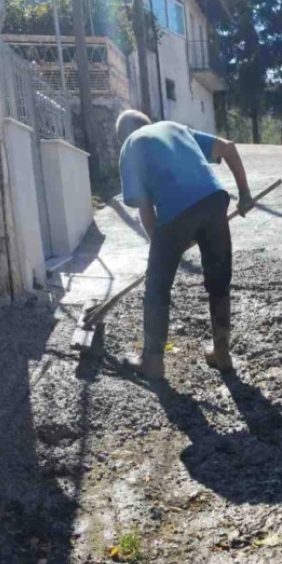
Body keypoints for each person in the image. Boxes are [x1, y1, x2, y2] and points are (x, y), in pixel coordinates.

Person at [115, 110, 253, 379]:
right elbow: (229, 149)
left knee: (156, 285)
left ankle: (153, 362)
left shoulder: (130, 146)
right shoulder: (175, 127)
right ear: (150, 123)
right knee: (219, 279)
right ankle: (222, 352)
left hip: (175, 212)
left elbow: (145, 208)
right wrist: (245, 194)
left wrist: (162, 253)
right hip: (214, 200)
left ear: (122, 136)